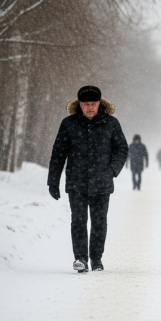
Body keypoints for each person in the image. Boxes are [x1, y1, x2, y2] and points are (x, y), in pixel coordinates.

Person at [48, 86, 128, 273]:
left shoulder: (111, 123)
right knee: (78, 221)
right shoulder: (69, 124)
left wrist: (112, 170)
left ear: (99, 104)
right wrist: (53, 180)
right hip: (76, 182)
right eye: (86, 104)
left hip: (102, 182)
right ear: (79, 104)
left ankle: (96, 259)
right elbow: (58, 153)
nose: (90, 107)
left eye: (93, 104)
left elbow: (122, 149)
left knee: (99, 223)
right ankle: (81, 259)